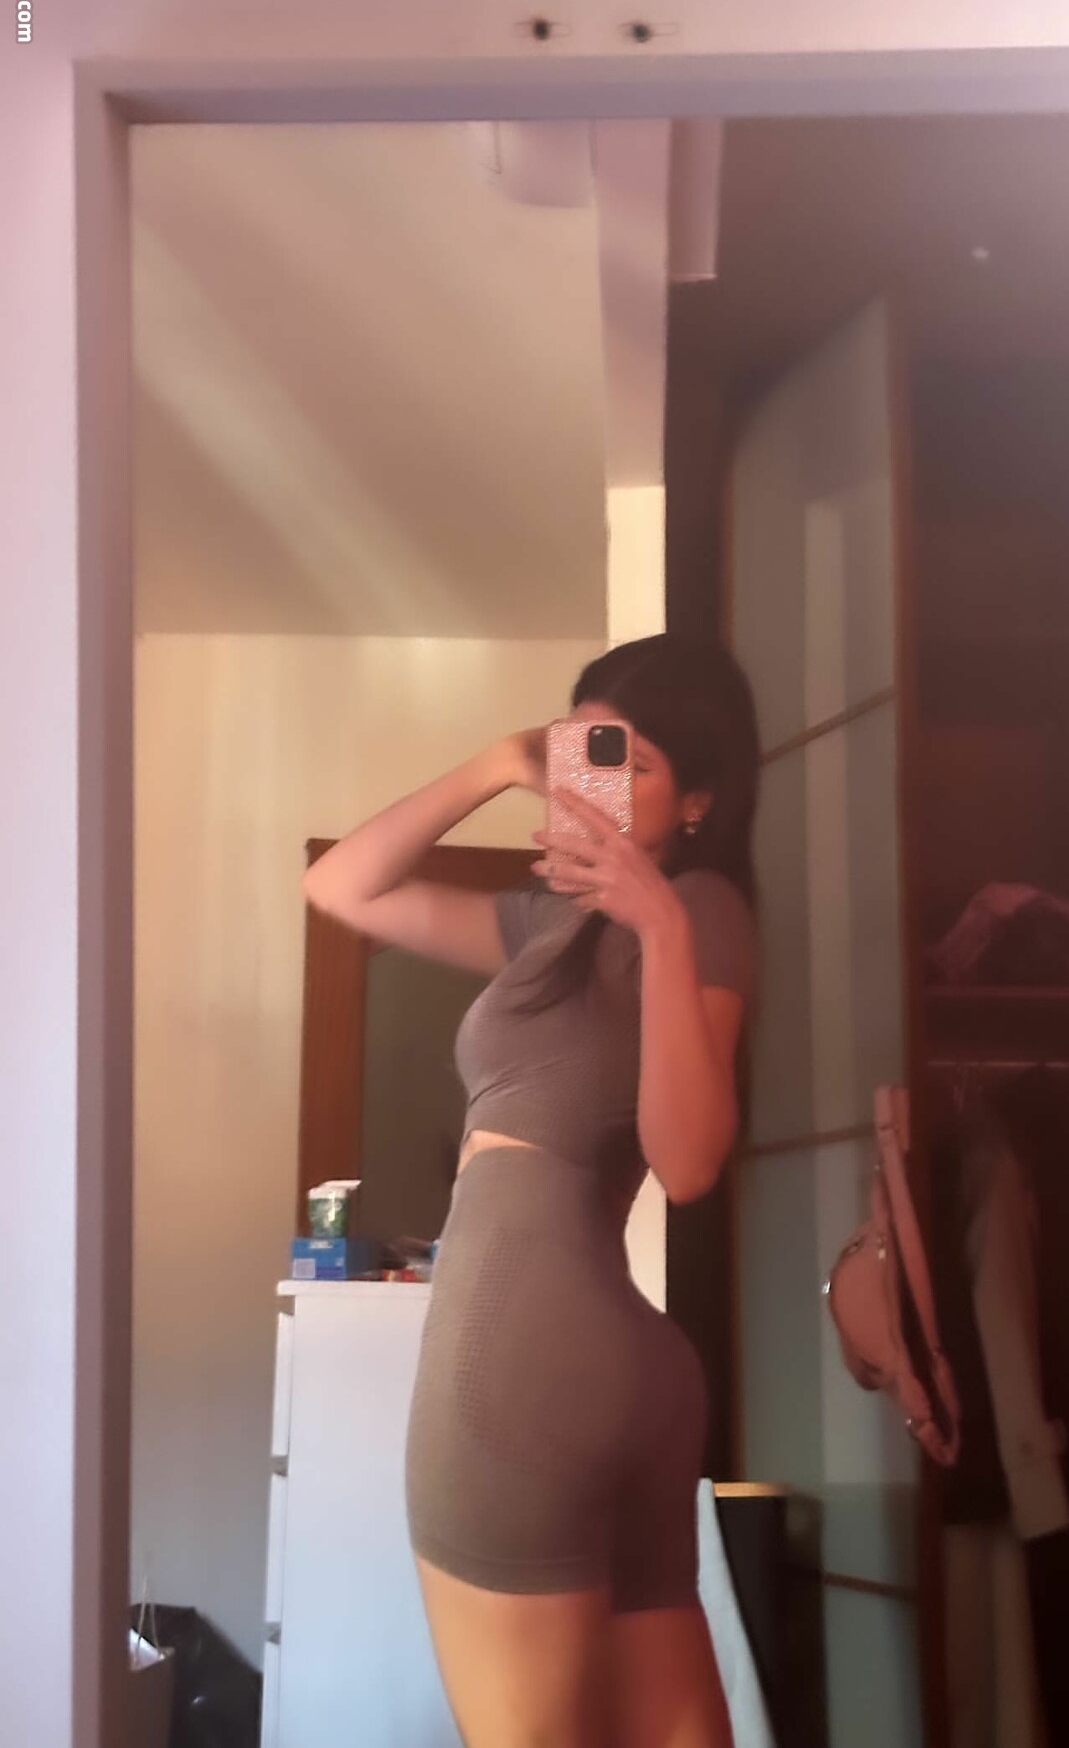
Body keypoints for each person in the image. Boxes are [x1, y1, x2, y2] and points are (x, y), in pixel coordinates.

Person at [303, 633, 761, 1748]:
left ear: (699, 800)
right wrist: (500, 762)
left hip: (517, 1364)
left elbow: (689, 1164)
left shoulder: (697, 909)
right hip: (623, 1374)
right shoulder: (543, 925)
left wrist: (659, 920)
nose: (593, 785)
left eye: (633, 764)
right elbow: (339, 885)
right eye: (583, 752)